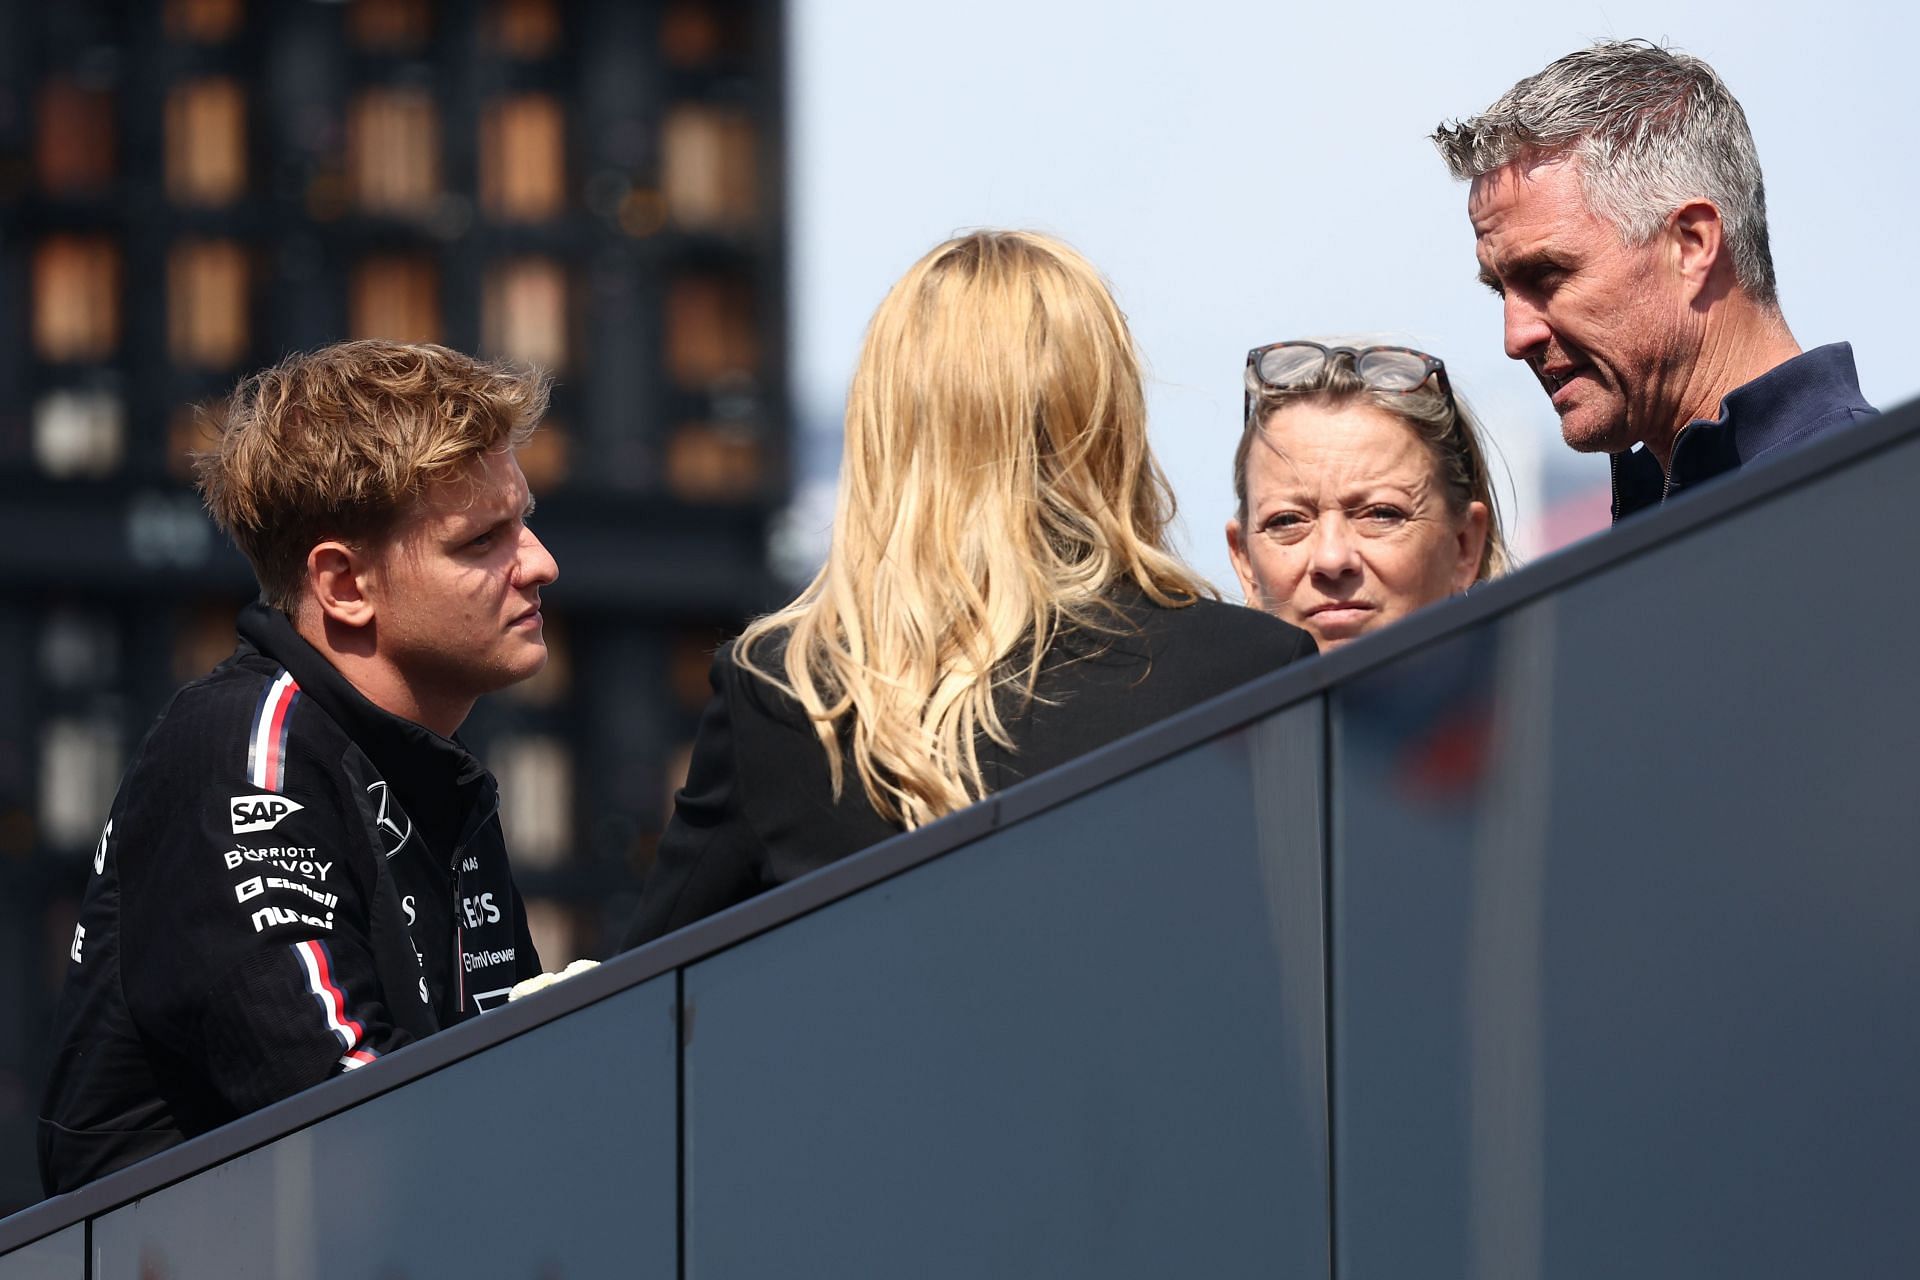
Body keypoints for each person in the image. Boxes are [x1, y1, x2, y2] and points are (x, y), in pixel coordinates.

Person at [624, 231, 1316, 947]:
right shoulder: (1257, 668)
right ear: (1110, 419)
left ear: (889, 429)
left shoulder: (789, 696)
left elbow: (631, 1011)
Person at [39, 340, 557, 1195]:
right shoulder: (243, 749)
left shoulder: (434, 775)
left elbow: (524, 1088)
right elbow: (350, 1113)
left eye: (525, 521)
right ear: (344, 583)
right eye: (483, 540)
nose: (540, 562)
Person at [1433, 39, 1877, 522]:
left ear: (1691, 246)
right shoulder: (1658, 518)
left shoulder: (1866, 501)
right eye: (1501, 290)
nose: (1516, 338)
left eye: (1546, 275)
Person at [1227, 341, 1507, 651]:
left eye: (1381, 514)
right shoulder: (1184, 698)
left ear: (1466, 546)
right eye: (1287, 520)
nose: (1331, 559)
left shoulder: (1551, 696)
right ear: (1245, 562)